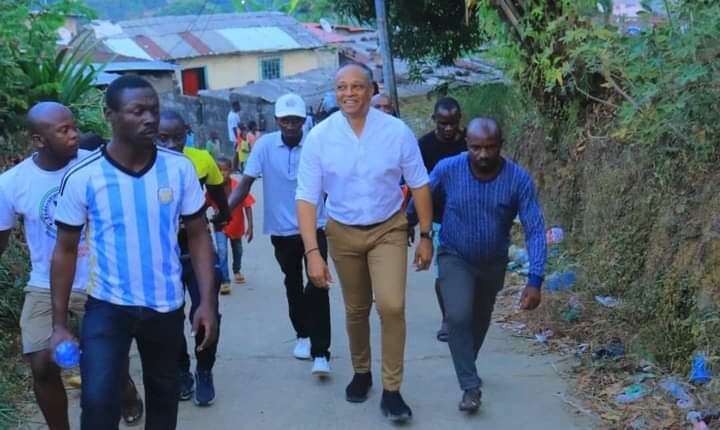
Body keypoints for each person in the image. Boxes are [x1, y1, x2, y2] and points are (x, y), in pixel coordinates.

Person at [50, 76, 218, 429]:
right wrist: (60, 325)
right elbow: (64, 251)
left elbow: (199, 235)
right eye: (137, 111)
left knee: (164, 397)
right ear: (109, 115)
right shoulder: (84, 176)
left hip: (165, 305)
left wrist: (206, 302)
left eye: (153, 110)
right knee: (97, 400)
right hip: (108, 305)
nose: (149, 119)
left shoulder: (179, 168)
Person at [296, 63, 433, 423]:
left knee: (391, 305)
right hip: (342, 231)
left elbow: (419, 183)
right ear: (335, 92)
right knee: (356, 308)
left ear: (372, 90)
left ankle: (392, 389)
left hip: (388, 228)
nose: (349, 93)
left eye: (357, 86)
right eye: (342, 87)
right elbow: (307, 198)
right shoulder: (320, 137)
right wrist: (312, 253)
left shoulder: (396, 132)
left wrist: (426, 235)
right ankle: (362, 371)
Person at [0, 102, 142, 429]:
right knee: (42, 365)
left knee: (107, 363)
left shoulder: (99, 166)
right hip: (44, 284)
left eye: (74, 126)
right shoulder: (12, 183)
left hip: (100, 280)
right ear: (39, 140)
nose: (75, 134)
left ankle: (124, 387)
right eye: (63, 130)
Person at [408, 118, 546, 413]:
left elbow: (535, 228)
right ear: (467, 145)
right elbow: (423, 195)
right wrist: (411, 225)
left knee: (479, 321)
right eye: (476, 148)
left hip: (493, 263)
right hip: (455, 254)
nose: (483, 154)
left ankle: (466, 364)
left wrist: (535, 279)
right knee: (458, 316)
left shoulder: (518, 179)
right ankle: (470, 387)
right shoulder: (449, 168)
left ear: (501, 145)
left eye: (490, 147)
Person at [227, 93, 331, 377]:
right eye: (285, 120)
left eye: (296, 120)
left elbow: (332, 182)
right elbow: (245, 183)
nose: (291, 125)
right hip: (281, 230)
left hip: (315, 226)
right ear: (277, 121)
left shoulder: (316, 144)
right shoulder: (264, 146)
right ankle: (303, 335)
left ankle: (321, 352)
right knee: (293, 284)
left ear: (304, 120)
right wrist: (226, 211)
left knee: (318, 284)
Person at [156, 109, 230, 407]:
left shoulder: (201, 159)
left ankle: (204, 369)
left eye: (178, 137)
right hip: (162, 256)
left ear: (187, 132)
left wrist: (222, 216)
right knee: (168, 318)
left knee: (206, 310)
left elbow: (219, 195)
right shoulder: (145, 166)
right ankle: (181, 371)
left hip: (196, 251)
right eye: (163, 138)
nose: (171, 145)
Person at [417, 97, 466, 342]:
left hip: (469, 217)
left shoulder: (471, 143)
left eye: (453, 123)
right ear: (434, 120)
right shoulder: (424, 145)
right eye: (443, 123)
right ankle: (448, 318)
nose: (448, 128)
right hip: (438, 218)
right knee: (444, 271)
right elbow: (418, 186)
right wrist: (414, 222)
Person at [212, 157, 254, 294]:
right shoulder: (213, 187)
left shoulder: (238, 186)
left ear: (230, 171)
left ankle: (237, 269)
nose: (222, 173)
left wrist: (251, 226)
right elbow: (204, 203)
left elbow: (248, 206)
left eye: (225, 170)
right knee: (222, 251)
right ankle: (224, 281)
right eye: (219, 170)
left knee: (238, 250)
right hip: (220, 227)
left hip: (236, 226)